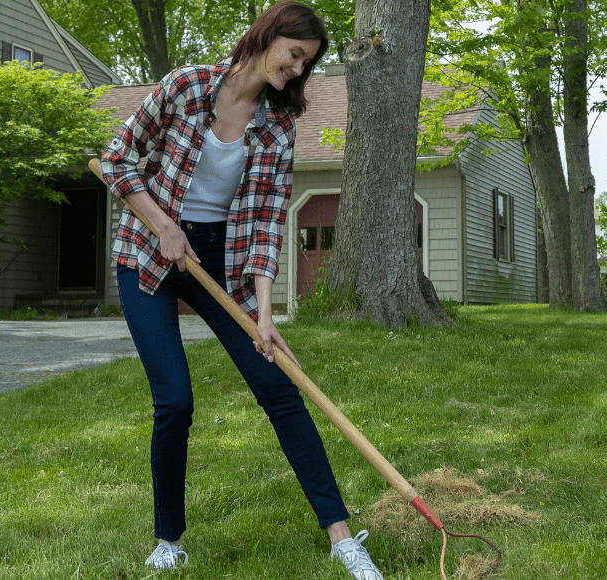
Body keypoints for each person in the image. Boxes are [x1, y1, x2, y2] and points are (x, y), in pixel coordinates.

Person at [97, 3, 383, 579]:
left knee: (278, 385)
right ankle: (168, 539)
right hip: (148, 249)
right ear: (269, 36)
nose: (298, 71)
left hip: (220, 260)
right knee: (174, 399)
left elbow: (266, 223)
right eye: (296, 55)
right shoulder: (185, 87)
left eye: (307, 64)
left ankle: (342, 538)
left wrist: (266, 313)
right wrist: (165, 226)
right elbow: (115, 160)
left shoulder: (276, 128)